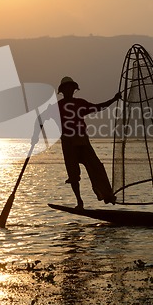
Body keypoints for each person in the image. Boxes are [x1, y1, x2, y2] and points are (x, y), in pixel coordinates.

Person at [33, 76, 120, 209]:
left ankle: (107, 195)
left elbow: (98, 107)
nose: (69, 90)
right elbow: (40, 118)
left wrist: (113, 99)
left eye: (71, 88)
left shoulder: (80, 103)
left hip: (83, 141)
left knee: (97, 167)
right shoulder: (57, 107)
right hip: (68, 143)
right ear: (62, 91)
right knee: (73, 175)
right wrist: (36, 135)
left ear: (74, 89)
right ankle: (79, 202)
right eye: (66, 88)